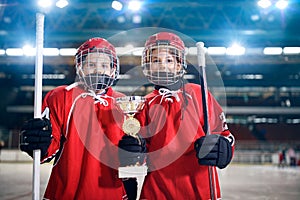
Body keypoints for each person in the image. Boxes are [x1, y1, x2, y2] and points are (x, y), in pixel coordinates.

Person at [19, 38, 134, 199]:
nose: (98, 71)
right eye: (91, 65)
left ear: (113, 69)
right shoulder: (60, 96)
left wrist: (134, 156)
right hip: (66, 190)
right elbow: (51, 147)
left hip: (110, 191)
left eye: (104, 65)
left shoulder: (123, 102)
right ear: (80, 67)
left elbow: (127, 149)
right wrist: (40, 143)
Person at [135, 32, 235, 199]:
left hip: (199, 187)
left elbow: (224, 134)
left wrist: (223, 148)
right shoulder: (144, 103)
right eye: (156, 60)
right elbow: (139, 148)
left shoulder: (199, 94)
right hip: (157, 190)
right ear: (147, 65)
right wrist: (133, 150)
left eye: (169, 60)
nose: (162, 65)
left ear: (179, 64)